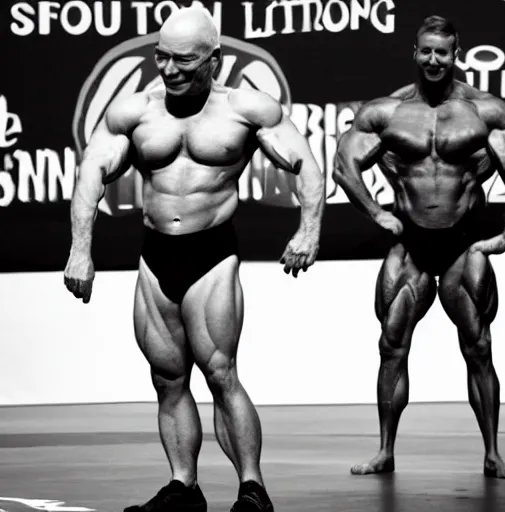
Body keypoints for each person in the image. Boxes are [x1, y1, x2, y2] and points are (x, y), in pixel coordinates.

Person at [63, 6, 324, 512]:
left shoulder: (247, 109)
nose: (171, 70)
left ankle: (253, 489)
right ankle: (184, 486)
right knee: (167, 379)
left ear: (215, 59)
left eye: (185, 60)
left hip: (211, 256)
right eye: (162, 58)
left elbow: (306, 168)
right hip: (156, 256)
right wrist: (80, 250)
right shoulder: (133, 111)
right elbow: (91, 172)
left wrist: (308, 232)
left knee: (221, 372)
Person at [334, 15, 505, 479]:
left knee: (479, 347)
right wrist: (376, 213)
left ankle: (493, 453)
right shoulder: (386, 112)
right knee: (391, 346)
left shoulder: (486, 111)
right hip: (410, 247)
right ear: (415, 53)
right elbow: (344, 166)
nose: (435, 59)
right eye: (427, 51)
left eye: (443, 52)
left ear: (457, 54)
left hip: (461, 246)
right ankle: (385, 451)